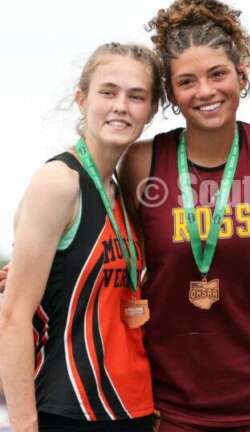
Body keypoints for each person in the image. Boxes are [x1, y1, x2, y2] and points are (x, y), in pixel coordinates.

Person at [119, 0, 250, 432]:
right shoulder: (141, 162)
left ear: (241, 74)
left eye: (217, 74)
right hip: (174, 402)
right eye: (187, 81)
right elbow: (121, 251)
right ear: (170, 92)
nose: (205, 91)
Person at [0, 43, 163, 431]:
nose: (121, 105)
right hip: (67, 410)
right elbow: (13, 317)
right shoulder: (59, 183)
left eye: (136, 96)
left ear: (151, 110)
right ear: (81, 99)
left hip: (131, 411)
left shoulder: (122, 191)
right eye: (108, 92)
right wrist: (24, 424)